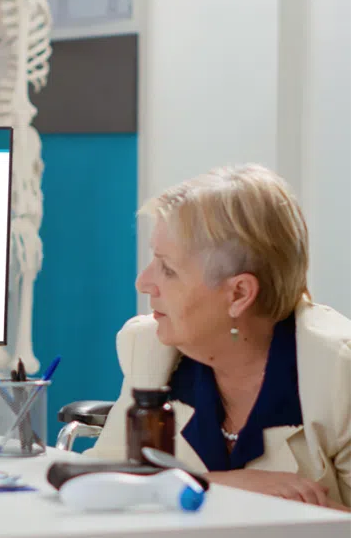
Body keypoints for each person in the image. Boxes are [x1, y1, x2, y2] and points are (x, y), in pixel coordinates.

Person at [87, 165, 351, 511]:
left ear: (239, 293)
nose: (144, 281)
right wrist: (227, 486)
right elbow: (96, 485)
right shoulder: (150, 347)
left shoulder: (337, 370)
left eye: (168, 268)